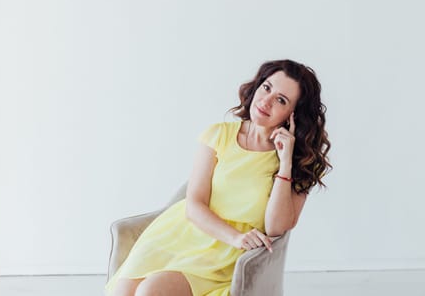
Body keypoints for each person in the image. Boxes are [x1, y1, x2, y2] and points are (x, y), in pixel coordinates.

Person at [104, 59, 332, 296]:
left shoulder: (300, 161)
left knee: (150, 291)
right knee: (123, 292)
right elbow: (194, 204)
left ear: (292, 115)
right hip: (183, 236)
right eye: (266, 87)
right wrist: (235, 237)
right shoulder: (218, 135)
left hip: (226, 258)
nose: (266, 101)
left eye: (281, 100)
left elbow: (277, 228)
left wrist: (285, 164)